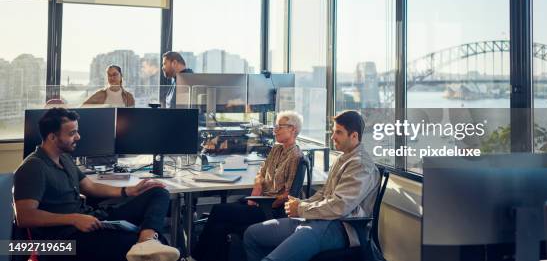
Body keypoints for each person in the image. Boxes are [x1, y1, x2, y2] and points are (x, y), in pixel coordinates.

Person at [13, 108, 180, 261]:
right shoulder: (33, 167)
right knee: (139, 245)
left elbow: (89, 187)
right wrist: (74, 219)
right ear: (52, 137)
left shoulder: (64, 158)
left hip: (91, 220)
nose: (78, 137)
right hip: (63, 241)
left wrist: (128, 191)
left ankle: (147, 240)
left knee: (158, 192)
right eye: (72, 133)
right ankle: (146, 243)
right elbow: (25, 217)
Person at [243, 110, 380, 261]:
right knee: (252, 235)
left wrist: (301, 209)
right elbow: (324, 194)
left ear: (354, 136)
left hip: (341, 227)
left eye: (339, 133)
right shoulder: (342, 158)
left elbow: (340, 207)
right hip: (318, 219)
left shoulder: (360, 165)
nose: (333, 137)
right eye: (333, 131)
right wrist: (302, 204)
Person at [193, 111, 304, 261]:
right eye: (275, 126)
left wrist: (262, 202)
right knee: (220, 226)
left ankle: (194, 257)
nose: (274, 130)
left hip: (270, 210)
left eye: (279, 126)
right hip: (259, 200)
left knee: (219, 211)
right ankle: (201, 257)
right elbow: (262, 172)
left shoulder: (295, 156)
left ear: (293, 129)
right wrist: (257, 188)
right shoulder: (277, 149)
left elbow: (288, 196)